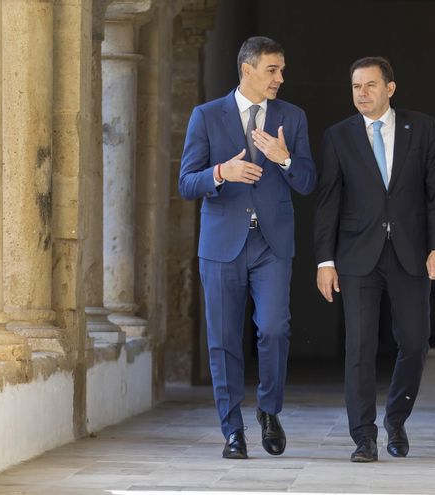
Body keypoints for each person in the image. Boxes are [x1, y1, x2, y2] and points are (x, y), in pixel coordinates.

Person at [179, 36, 316, 459]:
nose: (280, 78)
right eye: (272, 70)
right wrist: (222, 171)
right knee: (222, 339)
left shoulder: (292, 117)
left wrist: (285, 157)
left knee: (274, 328)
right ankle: (232, 430)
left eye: (282, 70)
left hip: (272, 243)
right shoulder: (206, 116)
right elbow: (187, 182)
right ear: (247, 69)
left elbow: (309, 181)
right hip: (221, 244)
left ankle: (269, 411)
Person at [314, 56, 435, 462]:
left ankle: (396, 419)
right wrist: (325, 260)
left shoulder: (422, 128)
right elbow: (327, 204)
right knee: (358, 346)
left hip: (410, 254)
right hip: (356, 257)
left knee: (414, 341)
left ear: (390, 89)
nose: (362, 94)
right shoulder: (338, 137)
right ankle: (363, 437)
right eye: (356, 87)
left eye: (371, 85)